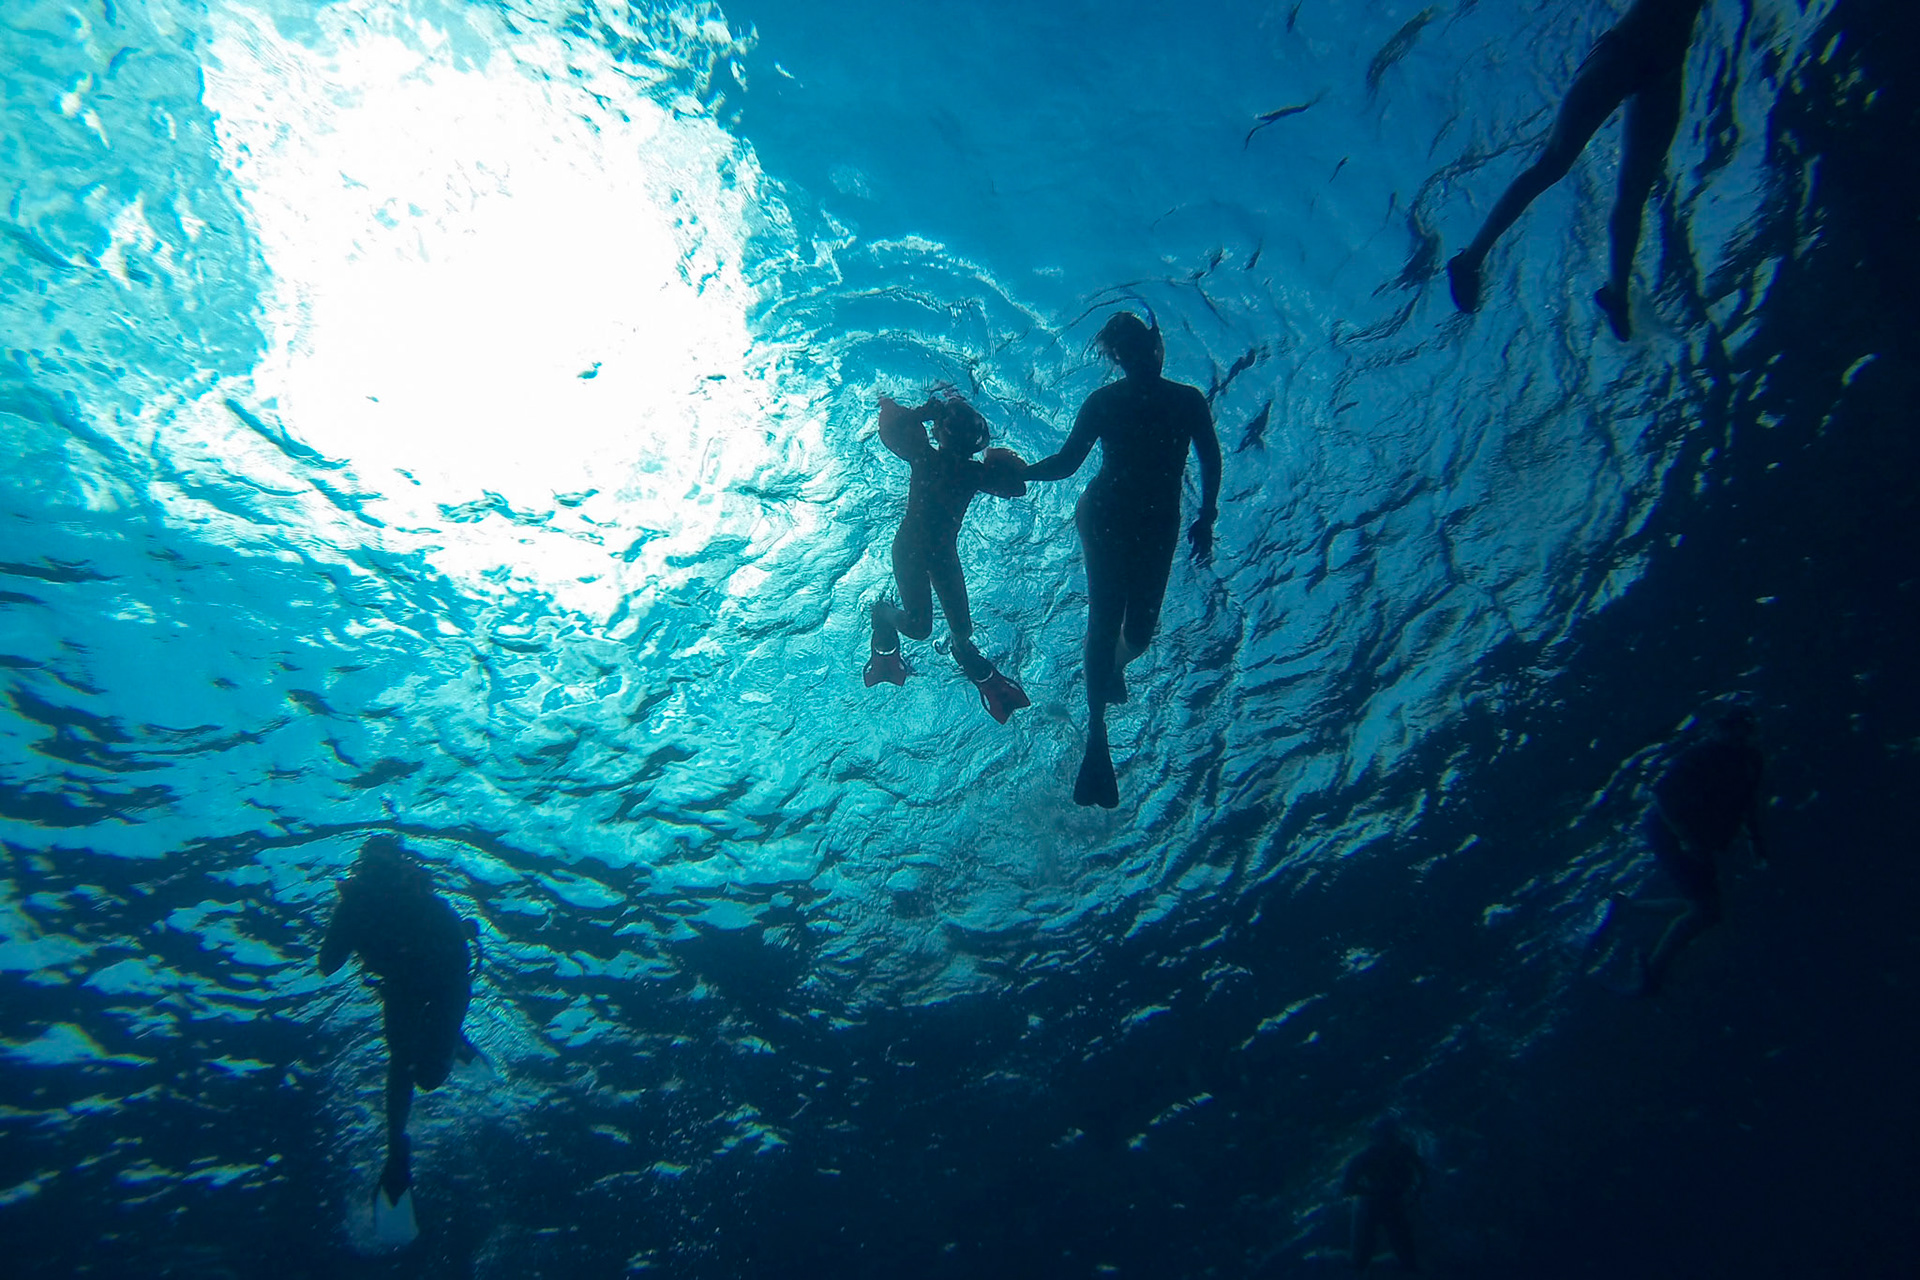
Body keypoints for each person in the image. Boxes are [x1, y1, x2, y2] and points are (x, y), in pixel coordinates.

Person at [1022, 311, 1221, 808]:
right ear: (1122, 356)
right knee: (1106, 618)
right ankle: (1096, 733)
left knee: (1141, 631)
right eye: (1127, 349)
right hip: (1108, 515)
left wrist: (1209, 514)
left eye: (1141, 345)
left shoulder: (1186, 400)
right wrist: (1019, 473)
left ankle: (1110, 671)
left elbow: (1210, 456)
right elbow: (1067, 463)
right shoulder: (1109, 402)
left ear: (1153, 346)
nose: (1138, 355)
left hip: (1157, 524)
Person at [1446, 0, 1710, 339]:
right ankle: (1469, 261)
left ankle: (1616, 294)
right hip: (1627, 50)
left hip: (1662, 71)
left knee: (1632, 192)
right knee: (1555, 163)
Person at [319, 835, 479, 1244]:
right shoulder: (369, 900)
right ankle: (396, 1151)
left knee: (420, 1072)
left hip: (440, 983)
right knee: (409, 1065)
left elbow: (327, 964)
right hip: (415, 987)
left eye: (381, 866)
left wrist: (348, 913)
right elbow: (329, 964)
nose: (378, 874)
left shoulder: (377, 898)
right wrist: (348, 914)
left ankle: (447, 1041)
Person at [863, 390, 1032, 723]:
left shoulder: (953, 465)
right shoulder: (933, 459)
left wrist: (922, 414)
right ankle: (881, 614)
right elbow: (1017, 487)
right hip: (912, 551)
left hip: (937, 554)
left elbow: (891, 432)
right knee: (920, 627)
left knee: (961, 629)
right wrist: (999, 462)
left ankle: (965, 655)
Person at [1622, 702, 1767, 995]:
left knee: (1705, 908)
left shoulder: (1749, 761)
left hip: (1695, 837)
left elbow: (1747, 801)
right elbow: (1661, 795)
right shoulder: (1702, 755)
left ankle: (1631, 908)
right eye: (1733, 731)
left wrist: (1755, 841)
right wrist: (1687, 840)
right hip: (1669, 832)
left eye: (1744, 732)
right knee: (1705, 909)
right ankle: (1651, 972)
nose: (1738, 738)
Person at [1342, 1118, 1426, 1272]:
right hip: (1370, 1206)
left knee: (1405, 1250)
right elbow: (1347, 1187)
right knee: (1362, 1254)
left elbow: (1422, 1172)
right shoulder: (1365, 1158)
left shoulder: (1403, 1151)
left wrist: (1417, 1193)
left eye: (1391, 1136)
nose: (1389, 1141)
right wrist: (1372, 1192)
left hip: (1392, 1204)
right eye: (1386, 1136)